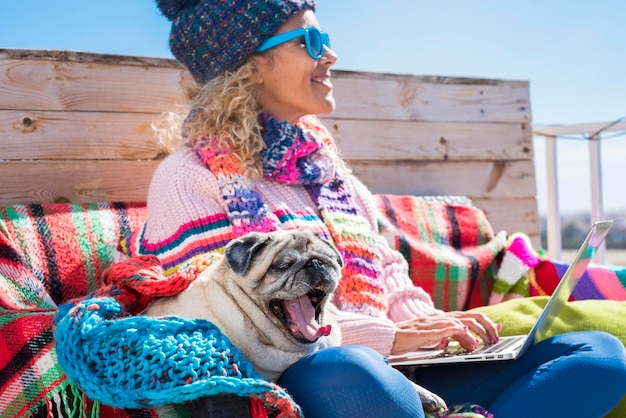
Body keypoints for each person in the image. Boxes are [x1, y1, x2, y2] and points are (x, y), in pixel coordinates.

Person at [126, 0, 626, 416]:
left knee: (598, 355)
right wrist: (390, 339)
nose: (332, 55)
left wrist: (436, 334)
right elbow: (235, 324)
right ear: (250, 63)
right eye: (312, 42)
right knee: (350, 372)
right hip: (317, 382)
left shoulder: (326, 168)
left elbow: (388, 272)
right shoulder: (189, 177)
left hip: (400, 373)